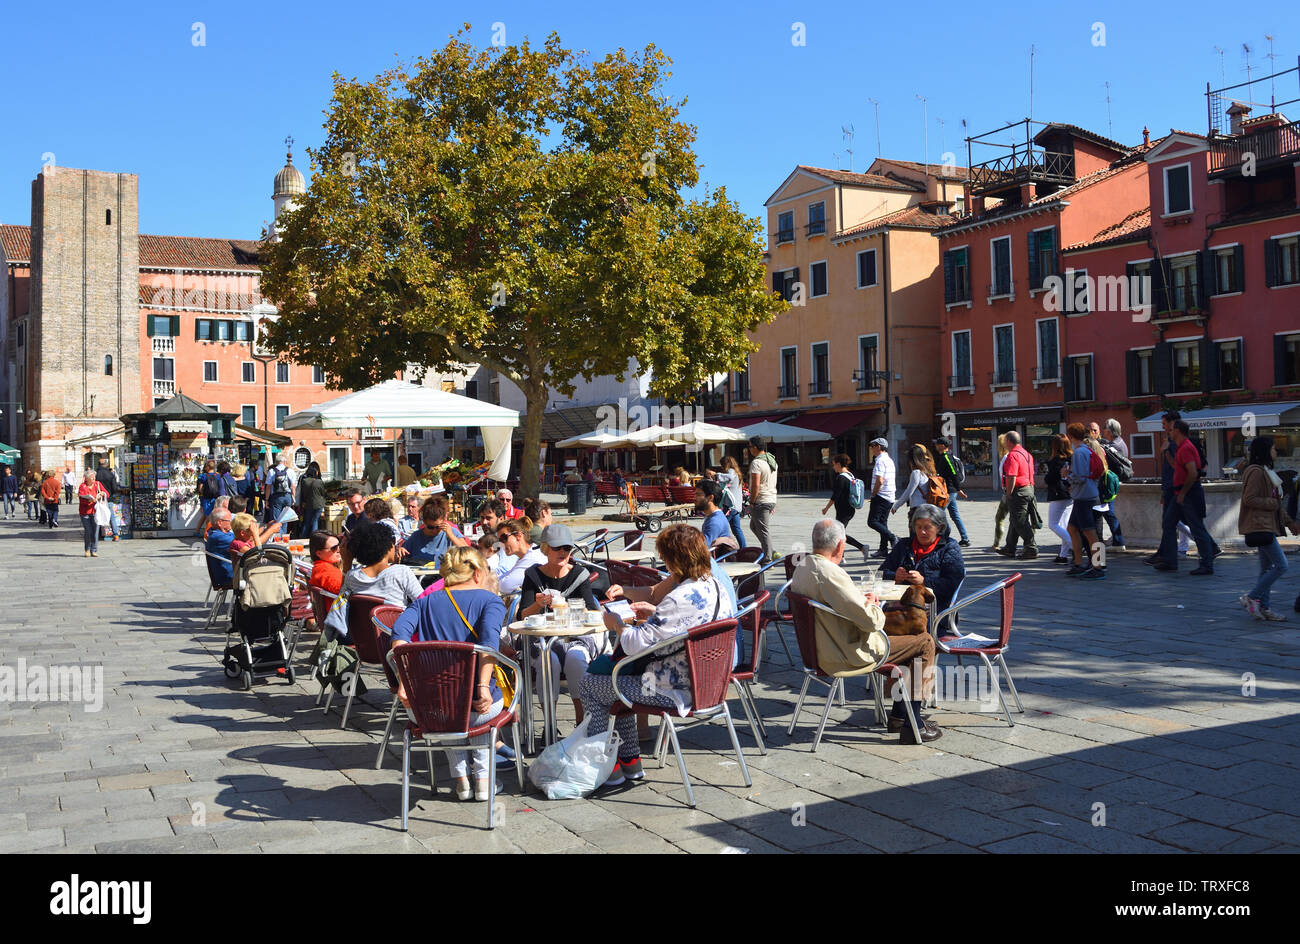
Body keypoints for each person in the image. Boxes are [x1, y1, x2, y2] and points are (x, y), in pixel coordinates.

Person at [581, 524, 737, 787]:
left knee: (592, 685)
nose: (664, 563)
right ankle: (630, 762)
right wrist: (654, 613)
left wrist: (617, 623)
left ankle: (609, 765)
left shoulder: (679, 597)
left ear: (676, 560)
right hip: (709, 684)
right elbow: (687, 624)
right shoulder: (716, 586)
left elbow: (633, 645)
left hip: (672, 689)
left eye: (665, 558)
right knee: (620, 681)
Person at [797, 518, 940, 743]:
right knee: (924, 642)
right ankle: (914, 725)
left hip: (819, 649)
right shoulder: (831, 573)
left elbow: (839, 604)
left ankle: (900, 717)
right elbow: (873, 623)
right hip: (846, 652)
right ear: (840, 545)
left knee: (907, 641)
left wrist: (860, 602)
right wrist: (873, 604)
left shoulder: (803, 567)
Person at [390, 546, 507, 801]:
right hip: (475, 706)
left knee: (447, 705)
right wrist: (483, 687)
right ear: (477, 573)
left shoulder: (424, 602)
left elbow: (398, 633)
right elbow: (489, 643)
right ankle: (483, 781)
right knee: (478, 711)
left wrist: (403, 680)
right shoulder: (490, 601)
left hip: (428, 709)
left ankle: (462, 781)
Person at [518, 524, 602, 725]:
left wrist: (573, 608)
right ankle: (550, 725)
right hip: (543, 640)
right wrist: (537, 604)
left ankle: (582, 724)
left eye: (567, 548)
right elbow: (522, 615)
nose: (563, 552)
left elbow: (593, 613)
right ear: (546, 548)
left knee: (575, 659)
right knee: (549, 663)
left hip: (575, 638)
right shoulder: (533, 575)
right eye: (557, 548)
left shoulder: (580, 574)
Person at [1238, 437, 1299, 620]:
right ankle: (1252, 597)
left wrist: (1290, 523)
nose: (1276, 452)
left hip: (1267, 525)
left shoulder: (1267, 472)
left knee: (1266, 569)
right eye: (1273, 448)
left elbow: (1277, 505)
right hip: (1260, 525)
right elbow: (1249, 499)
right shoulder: (1256, 472)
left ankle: (1265, 608)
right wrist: (1271, 503)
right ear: (1265, 451)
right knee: (1281, 565)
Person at [879, 503, 967, 622]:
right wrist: (895, 577)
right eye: (918, 527)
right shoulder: (904, 545)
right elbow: (880, 574)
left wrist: (924, 581)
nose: (922, 532)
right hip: (899, 609)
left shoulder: (949, 547)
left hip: (934, 612)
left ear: (939, 528)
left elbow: (952, 583)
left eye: (927, 527)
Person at [1154, 419, 1217, 575]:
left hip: (1188, 493)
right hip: (1181, 493)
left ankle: (1207, 564)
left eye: (1171, 429)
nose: (1169, 431)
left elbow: (1193, 473)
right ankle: (1170, 561)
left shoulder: (1187, 448)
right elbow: (1178, 467)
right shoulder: (1182, 448)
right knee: (1168, 523)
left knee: (1196, 527)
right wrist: (1166, 452)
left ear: (1178, 431)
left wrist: (1182, 494)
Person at [339, 523, 423, 623]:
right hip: (395, 632)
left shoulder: (352, 576)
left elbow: (340, 602)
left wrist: (347, 563)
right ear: (390, 545)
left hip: (363, 633)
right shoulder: (402, 572)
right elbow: (423, 602)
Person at [1063, 423, 1105, 578]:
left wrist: (1067, 474)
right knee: (1072, 528)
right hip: (1086, 495)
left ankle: (1098, 567)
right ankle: (1079, 563)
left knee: (1090, 533)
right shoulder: (1087, 450)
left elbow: (1080, 477)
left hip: (1084, 497)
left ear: (1071, 436)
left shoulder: (1079, 453)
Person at [997, 431, 1039, 560]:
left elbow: (1011, 476)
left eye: (1005, 440)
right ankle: (1010, 547)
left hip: (1019, 491)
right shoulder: (1027, 454)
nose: (1003, 443)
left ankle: (1031, 548)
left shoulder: (1012, 455)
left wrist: (1009, 493)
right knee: (1015, 519)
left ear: (1009, 441)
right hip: (1029, 488)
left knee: (1020, 521)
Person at [821, 453, 869, 563]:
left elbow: (835, 496)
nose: (833, 467)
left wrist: (826, 508)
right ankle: (842, 555)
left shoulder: (841, 478)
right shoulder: (850, 475)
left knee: (838, 533)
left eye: (834, 465)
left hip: (844, 510)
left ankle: (861, 547)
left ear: (838, 464)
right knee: (839, 533)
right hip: (849, 509)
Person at [403, 500, 469, 568]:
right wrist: (401, 551)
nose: (434, 530)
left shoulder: (451, 532)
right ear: (424, 522)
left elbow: (468, 553)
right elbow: (402, 554)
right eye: (430, 527)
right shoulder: (416, 536)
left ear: (444, 520)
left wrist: (451, 536)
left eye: (438, 527)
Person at [931, 438, 971, 547]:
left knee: (938, 514)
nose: (936, 446)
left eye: (937, 444)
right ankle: (965, 538)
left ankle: (944, 537)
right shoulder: (945, 457)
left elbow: (954, 474)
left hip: (949, 491)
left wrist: (959, 490)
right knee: (954, 515)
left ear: (943, 445)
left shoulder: (946, 457)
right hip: (950, 490)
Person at [891, 444, 941, 527]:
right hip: (928, 508)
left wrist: (896, 506)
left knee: (914, 536)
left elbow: (908, 492)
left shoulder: (916, 473)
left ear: (912, 459)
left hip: (917, 509)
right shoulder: (929, 471)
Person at [746, 435, 778, 560]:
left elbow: (755, 484)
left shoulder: (757, 463)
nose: (749, 449)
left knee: (763, 530)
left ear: (754, 447)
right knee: (754, 526)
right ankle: (770, 550)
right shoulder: (772, 460)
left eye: (749, 446)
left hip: (761, 500)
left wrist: (752, 501)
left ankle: (768, 557)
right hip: (771, 498)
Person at [1044, 433, 1074, 565]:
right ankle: (1063, 555)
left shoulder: (1056, 461)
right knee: (1064, 525)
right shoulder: (1071, 458)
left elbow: (1050, 479)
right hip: (1069, 493)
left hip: (1058, 494)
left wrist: (1046, 477)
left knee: (1053, 524)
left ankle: (1075, 545)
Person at [495, 519, 547, 595]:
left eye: (504, 538)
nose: (501, 544)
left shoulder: (532, 557)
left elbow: (505, 586)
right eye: (499, 541)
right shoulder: (527, 555)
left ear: (518, 536)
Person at [866, 438, 897, 557]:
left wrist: (874, 494)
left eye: (873, 446)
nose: (872, 449)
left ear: (878, 446)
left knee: (872, 521)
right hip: (889, 495)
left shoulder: (880, 461)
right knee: (882, 523)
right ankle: (883, 549)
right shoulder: (889, 460)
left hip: (881, 495)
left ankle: (892, 537)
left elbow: (880, 480)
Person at [694, 479, 735, 550]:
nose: (694, 498)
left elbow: (701, 549)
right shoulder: (714, 516)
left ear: (710, 497)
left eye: (698, 494)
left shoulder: (715, 521)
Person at [76, 469, 109, 557]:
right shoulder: (82, 486)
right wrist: (90, 500)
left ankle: (94, 550)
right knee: (88, 531)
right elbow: (81, 499)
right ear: (86, 478)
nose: (94, 479)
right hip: (85, 512)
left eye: (94, 477)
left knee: (95, 531)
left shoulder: (97, 484)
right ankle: (87, 549)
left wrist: (102, 494)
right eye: (92, 477)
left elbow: (107, 494)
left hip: (95, 511)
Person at [718, 456, 747, 548]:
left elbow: (728, 477)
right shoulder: (737, 473)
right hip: (736, 506)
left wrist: (716, 474)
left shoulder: (731, 472)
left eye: (722, 465)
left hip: (730, 506)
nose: (722, 467)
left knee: (720, 527)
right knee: (736, 530)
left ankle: (722, 548)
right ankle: (744, 548)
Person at [204, 509, 237, 587]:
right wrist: (269, 530)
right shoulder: (219, 537)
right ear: (220, 522)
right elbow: (244, 545)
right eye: (230, 520)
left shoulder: (218, 533)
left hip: (226, 572)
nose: (232, 523)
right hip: (229, 576)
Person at [263, 452, 297, 525]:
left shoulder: (271, 471)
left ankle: (278, 535)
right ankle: (284, 535)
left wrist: (266, 500)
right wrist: (293, 497)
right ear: (284, 461)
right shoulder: (290, 471)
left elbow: (268, 486)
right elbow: (293, 486)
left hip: (276, 497)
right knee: (285, 518)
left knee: (277, 520)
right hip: (287, 496)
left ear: (277, 462)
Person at [307, 530, 344, 595]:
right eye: (334, 548)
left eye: (339, 545)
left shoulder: (320, 567)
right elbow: (344, 591)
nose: (339, 549)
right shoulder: (325, 570)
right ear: (319, 553)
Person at [297, 461, 328, 537]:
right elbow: (323, 493)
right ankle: (314, 537)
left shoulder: (304, 481)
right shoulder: (319, 481)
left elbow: (303, 493)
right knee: (315, 520)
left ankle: (303, 537)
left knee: (307, 522)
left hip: (308, 504)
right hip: (319, 504)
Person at [93, 458, 121, 542]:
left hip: (98, 498)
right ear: (106, 464)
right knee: (111, 516)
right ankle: (115, 534)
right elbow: (114, 487)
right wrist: (112, 494)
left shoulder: (96, 474)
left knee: (97, 515)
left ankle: (98, 534)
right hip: (109, 498)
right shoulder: (110, 474)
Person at [991, 433, 1010, 550]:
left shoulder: (1006, 457)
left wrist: (1007, 491)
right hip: (1010, 491)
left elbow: (1008, 475)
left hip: (1009, 491)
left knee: (1000, 518)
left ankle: (996, 543)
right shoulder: (1007, 457)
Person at [195, 459, 219, 535]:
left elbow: (200, 489)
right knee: (210, 515)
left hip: (206, 498)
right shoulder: (217, 476)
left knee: (207, 515)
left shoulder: (203, 476)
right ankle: (205, 531)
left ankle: (206, 533)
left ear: (207, 467)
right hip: (215, 498)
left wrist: (204, 495)